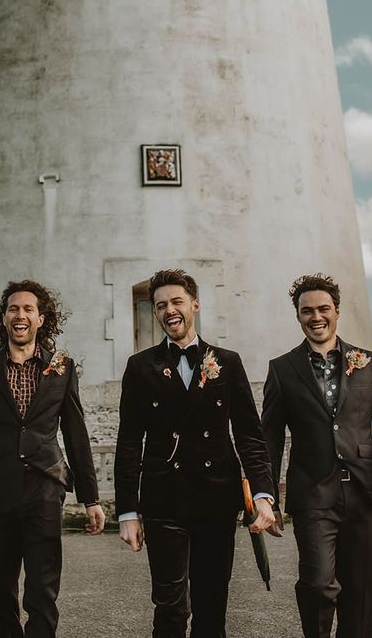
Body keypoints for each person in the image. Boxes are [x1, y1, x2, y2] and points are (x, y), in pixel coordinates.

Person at [114, 268, 277, 638]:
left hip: (216, 499)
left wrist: (264, 494)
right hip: (163, 499)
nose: (169, 311)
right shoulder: (140, 367)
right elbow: (128, 442)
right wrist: (127, 511)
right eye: (160, 306)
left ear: (194, 305)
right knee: (170, 608)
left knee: (211, 606)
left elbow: (250, 435)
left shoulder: (227, 361)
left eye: (176, 302)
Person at [0, 280, 104, 638]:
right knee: (1, 588)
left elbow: (76, 435)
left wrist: (90, 498)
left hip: (45, 488)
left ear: (41, 318)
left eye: (28, 309)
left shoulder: (62, 369)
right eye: (13, 309)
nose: (21, 315)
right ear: (3, 319)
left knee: (43, 589)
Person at [262, 273, 372, 638]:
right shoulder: (282, 370)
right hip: (313, 493)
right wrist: (265, 495)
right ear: (298, 316)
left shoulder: (369, 362)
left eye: (323, 309)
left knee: (361, 597)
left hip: (366, 493)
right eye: (307, 311)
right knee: (317, 584)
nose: (316, 317)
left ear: (337, 311)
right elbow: (268, 438)